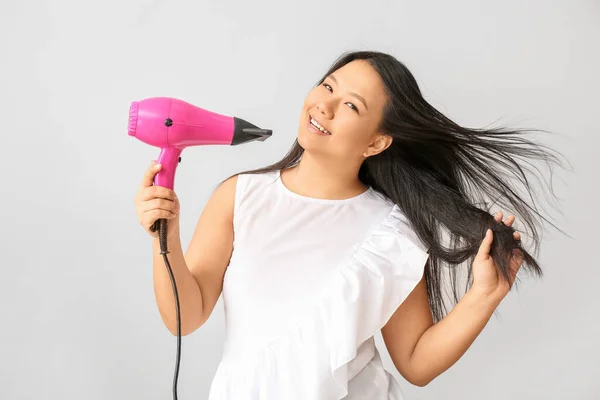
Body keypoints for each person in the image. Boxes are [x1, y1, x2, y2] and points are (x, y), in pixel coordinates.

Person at [133, 50, 566, 399]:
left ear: (377, 142)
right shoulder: (240, 197)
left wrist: (484, 296)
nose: (324, 105)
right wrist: (164, 235)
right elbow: (183, 317)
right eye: (327, 85)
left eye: (350, 105)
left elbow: (415, 363)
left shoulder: (392, 232)